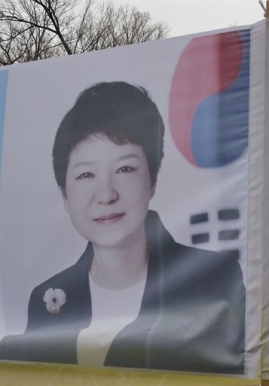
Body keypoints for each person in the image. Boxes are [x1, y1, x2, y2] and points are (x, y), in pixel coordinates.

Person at [0, 82, 246, 374]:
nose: (106, 195)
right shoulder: (47, 298)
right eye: (86, 174)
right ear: (65, 194)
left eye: (125, 169)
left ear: (152, 180)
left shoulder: (213, 279)